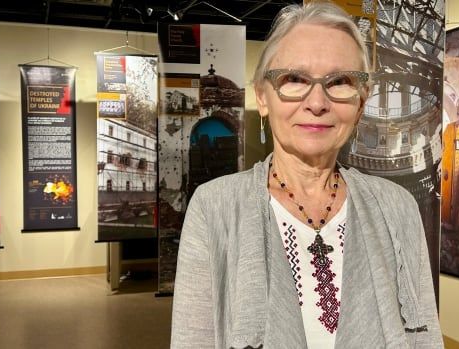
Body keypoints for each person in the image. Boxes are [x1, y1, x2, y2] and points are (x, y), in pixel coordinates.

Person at [171, 2, 443, 348]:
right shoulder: (214, 208)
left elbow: (425, 340)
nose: (317, 102)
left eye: (341, 81)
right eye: (294, 79)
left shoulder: (397, 207)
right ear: (263, 97)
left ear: (361, 102)